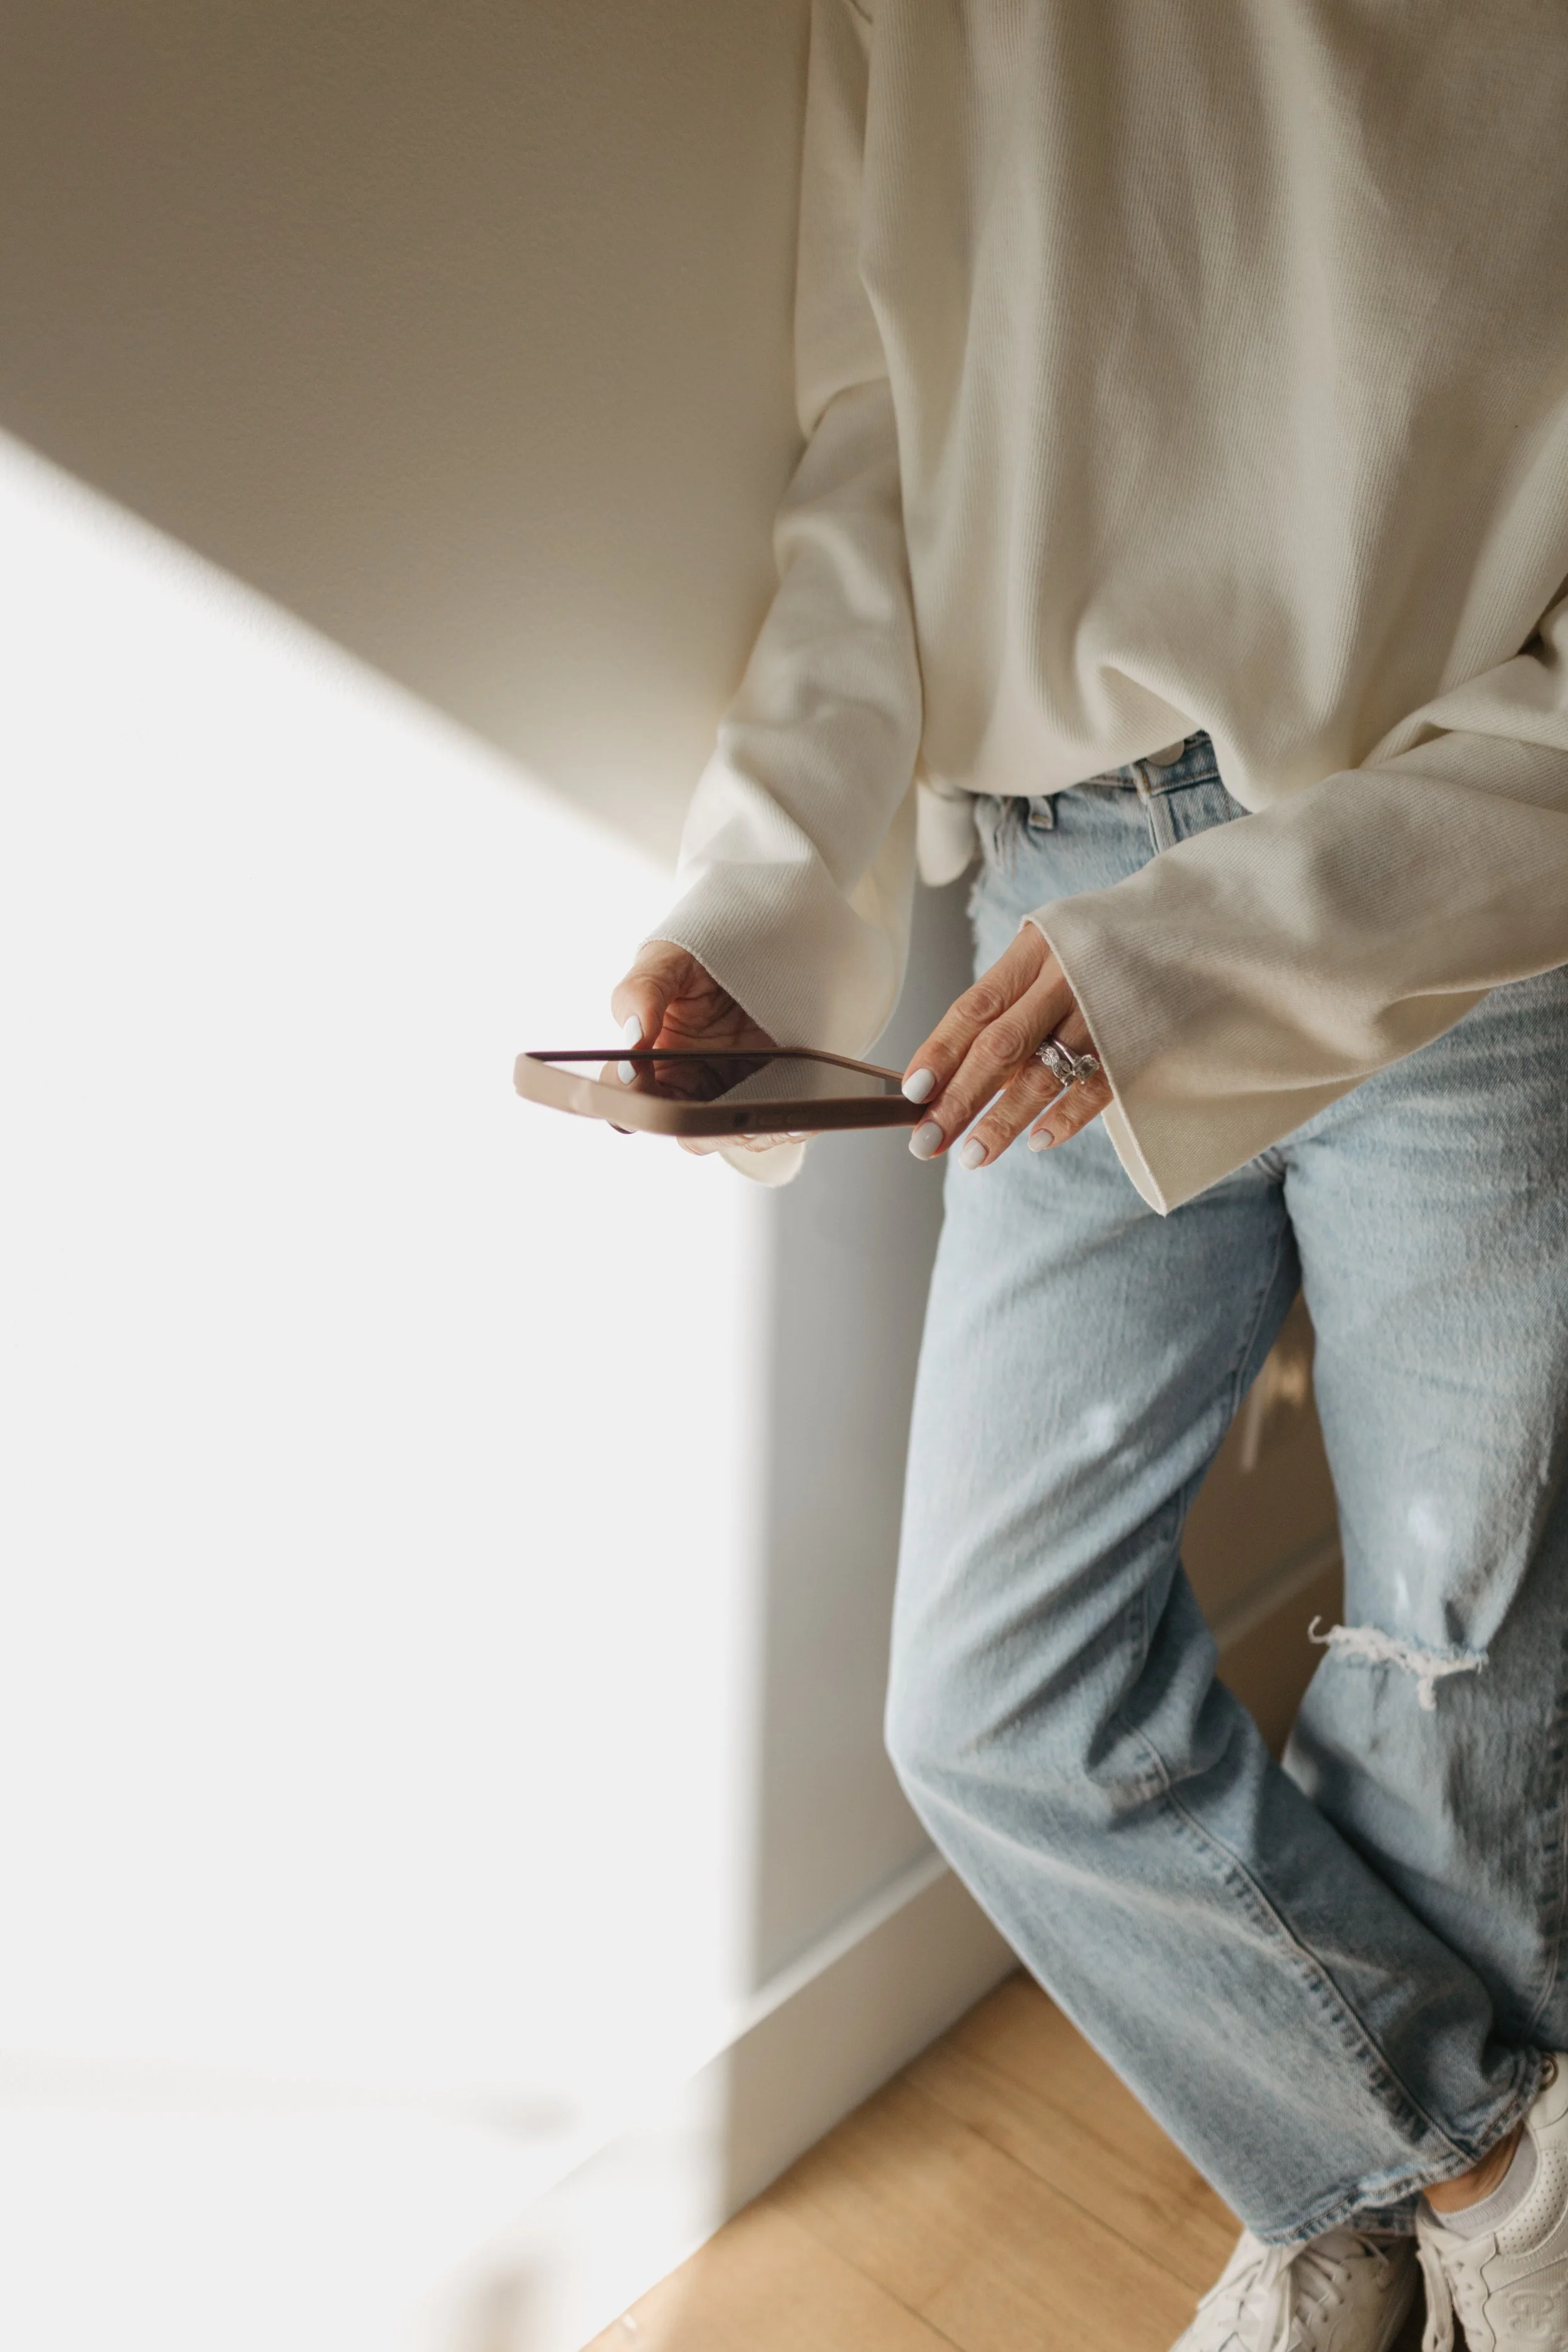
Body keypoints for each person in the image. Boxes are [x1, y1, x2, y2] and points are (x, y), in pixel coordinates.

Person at [612, 6, 1568, 2345]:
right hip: (1054, 893)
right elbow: (885, 431)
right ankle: (1486, 2171)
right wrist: (764, 891)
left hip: (1461, 863)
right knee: (988, 1691)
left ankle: (1359, 2254)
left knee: (1453, 1676)